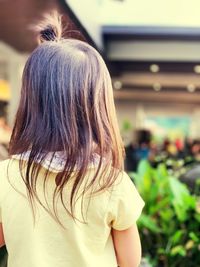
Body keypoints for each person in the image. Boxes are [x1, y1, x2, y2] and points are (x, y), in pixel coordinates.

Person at [0, 12, 144, 267]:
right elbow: (130, 261)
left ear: (33, 103)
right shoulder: (110, 182)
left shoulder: (6, 176)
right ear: (96, 109)